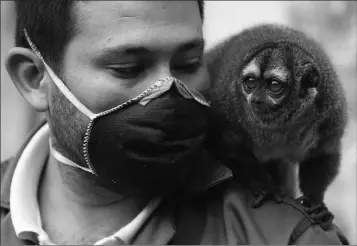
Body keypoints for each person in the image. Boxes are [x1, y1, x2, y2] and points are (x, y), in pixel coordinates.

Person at [1, 1, 349, 245]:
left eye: (188, 63)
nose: (169, 92)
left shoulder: (289, 238)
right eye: (128, 68)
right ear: (35, 78)